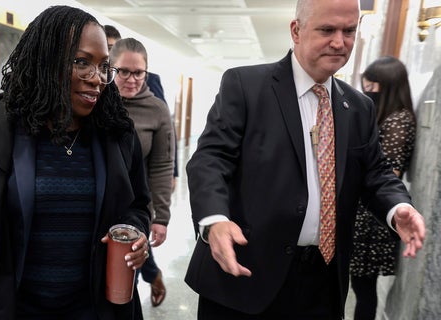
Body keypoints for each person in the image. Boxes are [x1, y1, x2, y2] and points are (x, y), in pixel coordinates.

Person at [184, 0, 426, 319]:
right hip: (245, 273)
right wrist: (214, 220)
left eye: (349, 31)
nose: (339, 42)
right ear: (296, 31)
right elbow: (211, 159)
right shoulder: (246, 86)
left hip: (322, 284)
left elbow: (377, 174)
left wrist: (399, 208)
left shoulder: (359, 107)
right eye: (327, 30)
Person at [0, 5, 151, 319]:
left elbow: (138, 205)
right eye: (81, 62)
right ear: (45, 60)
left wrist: (135, 229)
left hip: (91, 309)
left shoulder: (116, 135)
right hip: (13, 308)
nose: (97, 78)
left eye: (104, 66)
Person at [106, 25, 173, 308]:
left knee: (122, 282)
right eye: (123, 72)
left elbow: (162, 165)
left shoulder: (156, 109)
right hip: (98, 204)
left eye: (139, 73)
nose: (131, 79)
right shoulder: (96, 102)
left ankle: (149, 278)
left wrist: (161, 217)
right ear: (110, 69)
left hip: (133, 208)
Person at [350, 56, 417, 320]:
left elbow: (388, 173)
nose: (367, 88)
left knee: (363, 287)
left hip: (375, 220)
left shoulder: (399, 121)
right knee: (359, 284)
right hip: (367, 216)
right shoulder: (388, 117)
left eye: (372, 84)